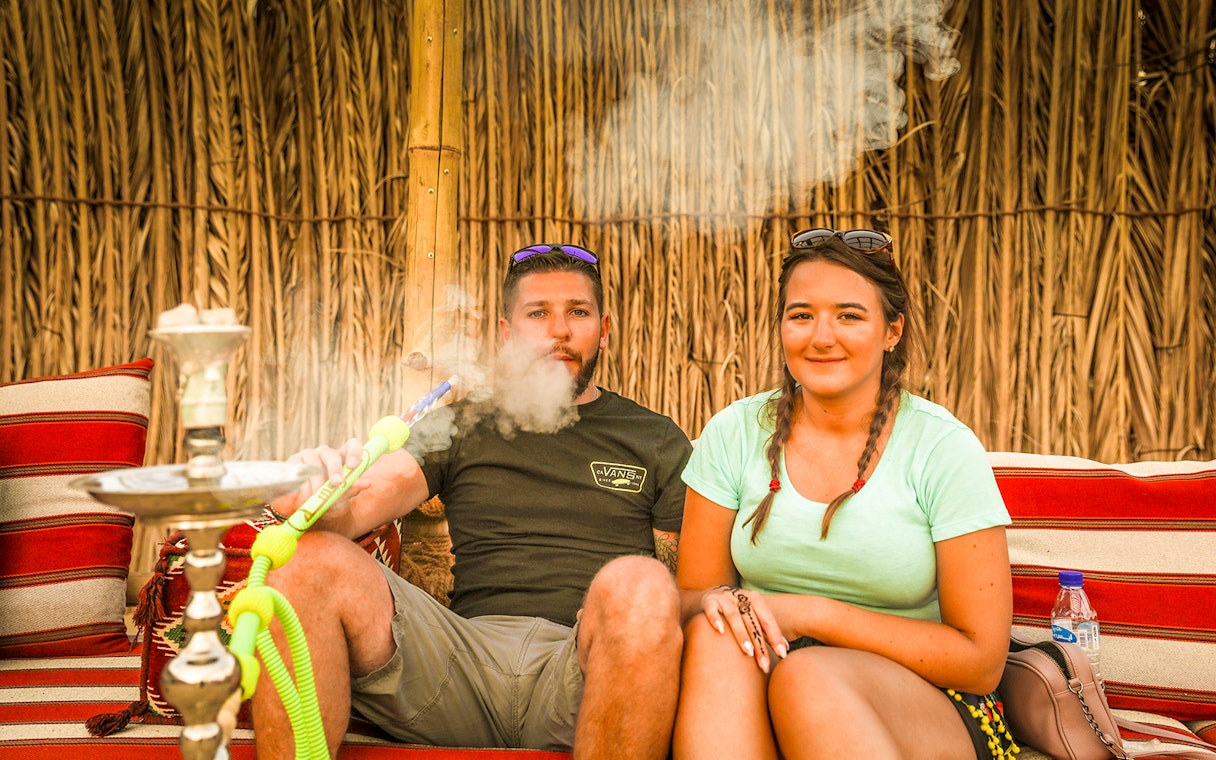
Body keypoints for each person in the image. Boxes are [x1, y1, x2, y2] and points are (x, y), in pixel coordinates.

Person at [254, 245, 692, 758]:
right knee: (306, 560)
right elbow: (361, 504)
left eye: (578, 312)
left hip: (582, 667)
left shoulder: (653, 437)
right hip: (460, 662)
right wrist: (320, 497)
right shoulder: (461, 425)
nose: (559, 331)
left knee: (641, 582)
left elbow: (683, 582)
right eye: (538, 314)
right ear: (508, 333)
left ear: (604, 326)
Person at [673, 229, 1016, 760]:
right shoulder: (735, 432)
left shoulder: (942, 448)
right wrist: (728, 603)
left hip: (924, 701)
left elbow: (981, 661)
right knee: (718, 634)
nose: (821, 336)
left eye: (850, 316)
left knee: (808, 676)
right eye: (802, 315)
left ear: (891, 331)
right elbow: (695, 596)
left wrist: (810, 614)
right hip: (763, 677)